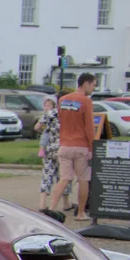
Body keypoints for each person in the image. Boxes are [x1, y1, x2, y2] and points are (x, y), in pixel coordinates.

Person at [46, 74, 99, 222]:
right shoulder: (86, 101)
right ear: (86, 83)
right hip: (80, 145)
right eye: (93, 85)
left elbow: (62, 120)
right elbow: (89, 127)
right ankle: (81, 213)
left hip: (64, 145)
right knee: (83, 179)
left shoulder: (63, 100)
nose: (94, 88)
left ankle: (51, 209)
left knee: (64, 178)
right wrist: (91, 147)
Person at [35, 95, 60, 212]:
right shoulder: (64, 114)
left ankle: (42, 204)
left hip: (49, 147)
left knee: (47, 175)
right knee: (63, 177)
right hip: (61, 148)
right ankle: (63, 203)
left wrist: (44, 131)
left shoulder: (48, 114)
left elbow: (37, 127)